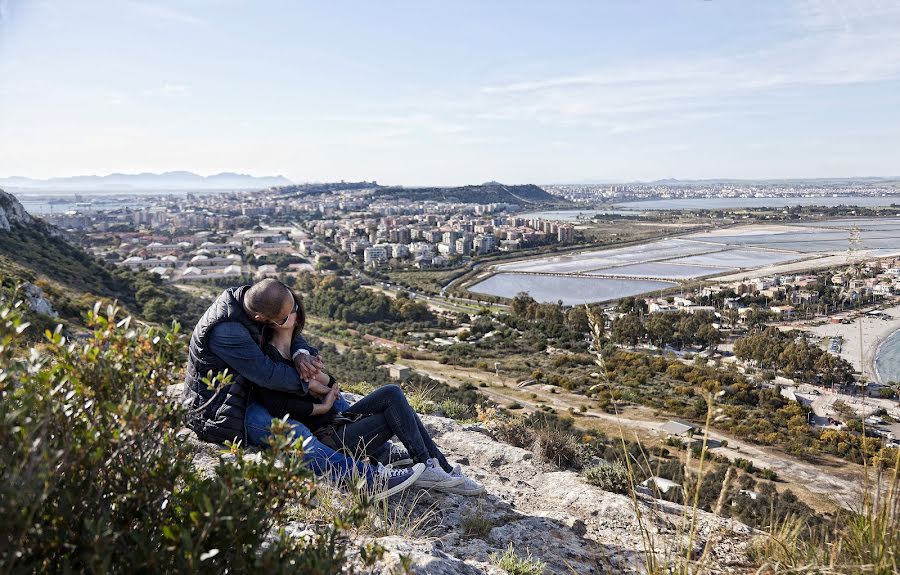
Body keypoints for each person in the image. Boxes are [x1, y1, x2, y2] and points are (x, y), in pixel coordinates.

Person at [182, 279, 423, 499]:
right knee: (292, 432)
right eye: (285, 317)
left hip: (252, 388)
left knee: (337, 402)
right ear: (261, 319)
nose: (293, 318)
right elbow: (268, 374)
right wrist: (311, 383)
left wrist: (301, 355)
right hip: (225, 406)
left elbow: (289, 329)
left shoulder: (259, 298)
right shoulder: (226, 330)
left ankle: (380, 453)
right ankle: (366, 480)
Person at [253, 288, 483, 495]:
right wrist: (320, 404)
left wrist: (316, 381)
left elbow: (331, 383)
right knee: (395, 408)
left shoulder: (300, 351)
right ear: (277, 320)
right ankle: (432, 467)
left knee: (392, 395)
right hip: (330, 440)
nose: (298, 313)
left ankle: (436, 466)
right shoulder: (269, 358)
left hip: (338, 424)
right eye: (293, 310)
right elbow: (279, 407)